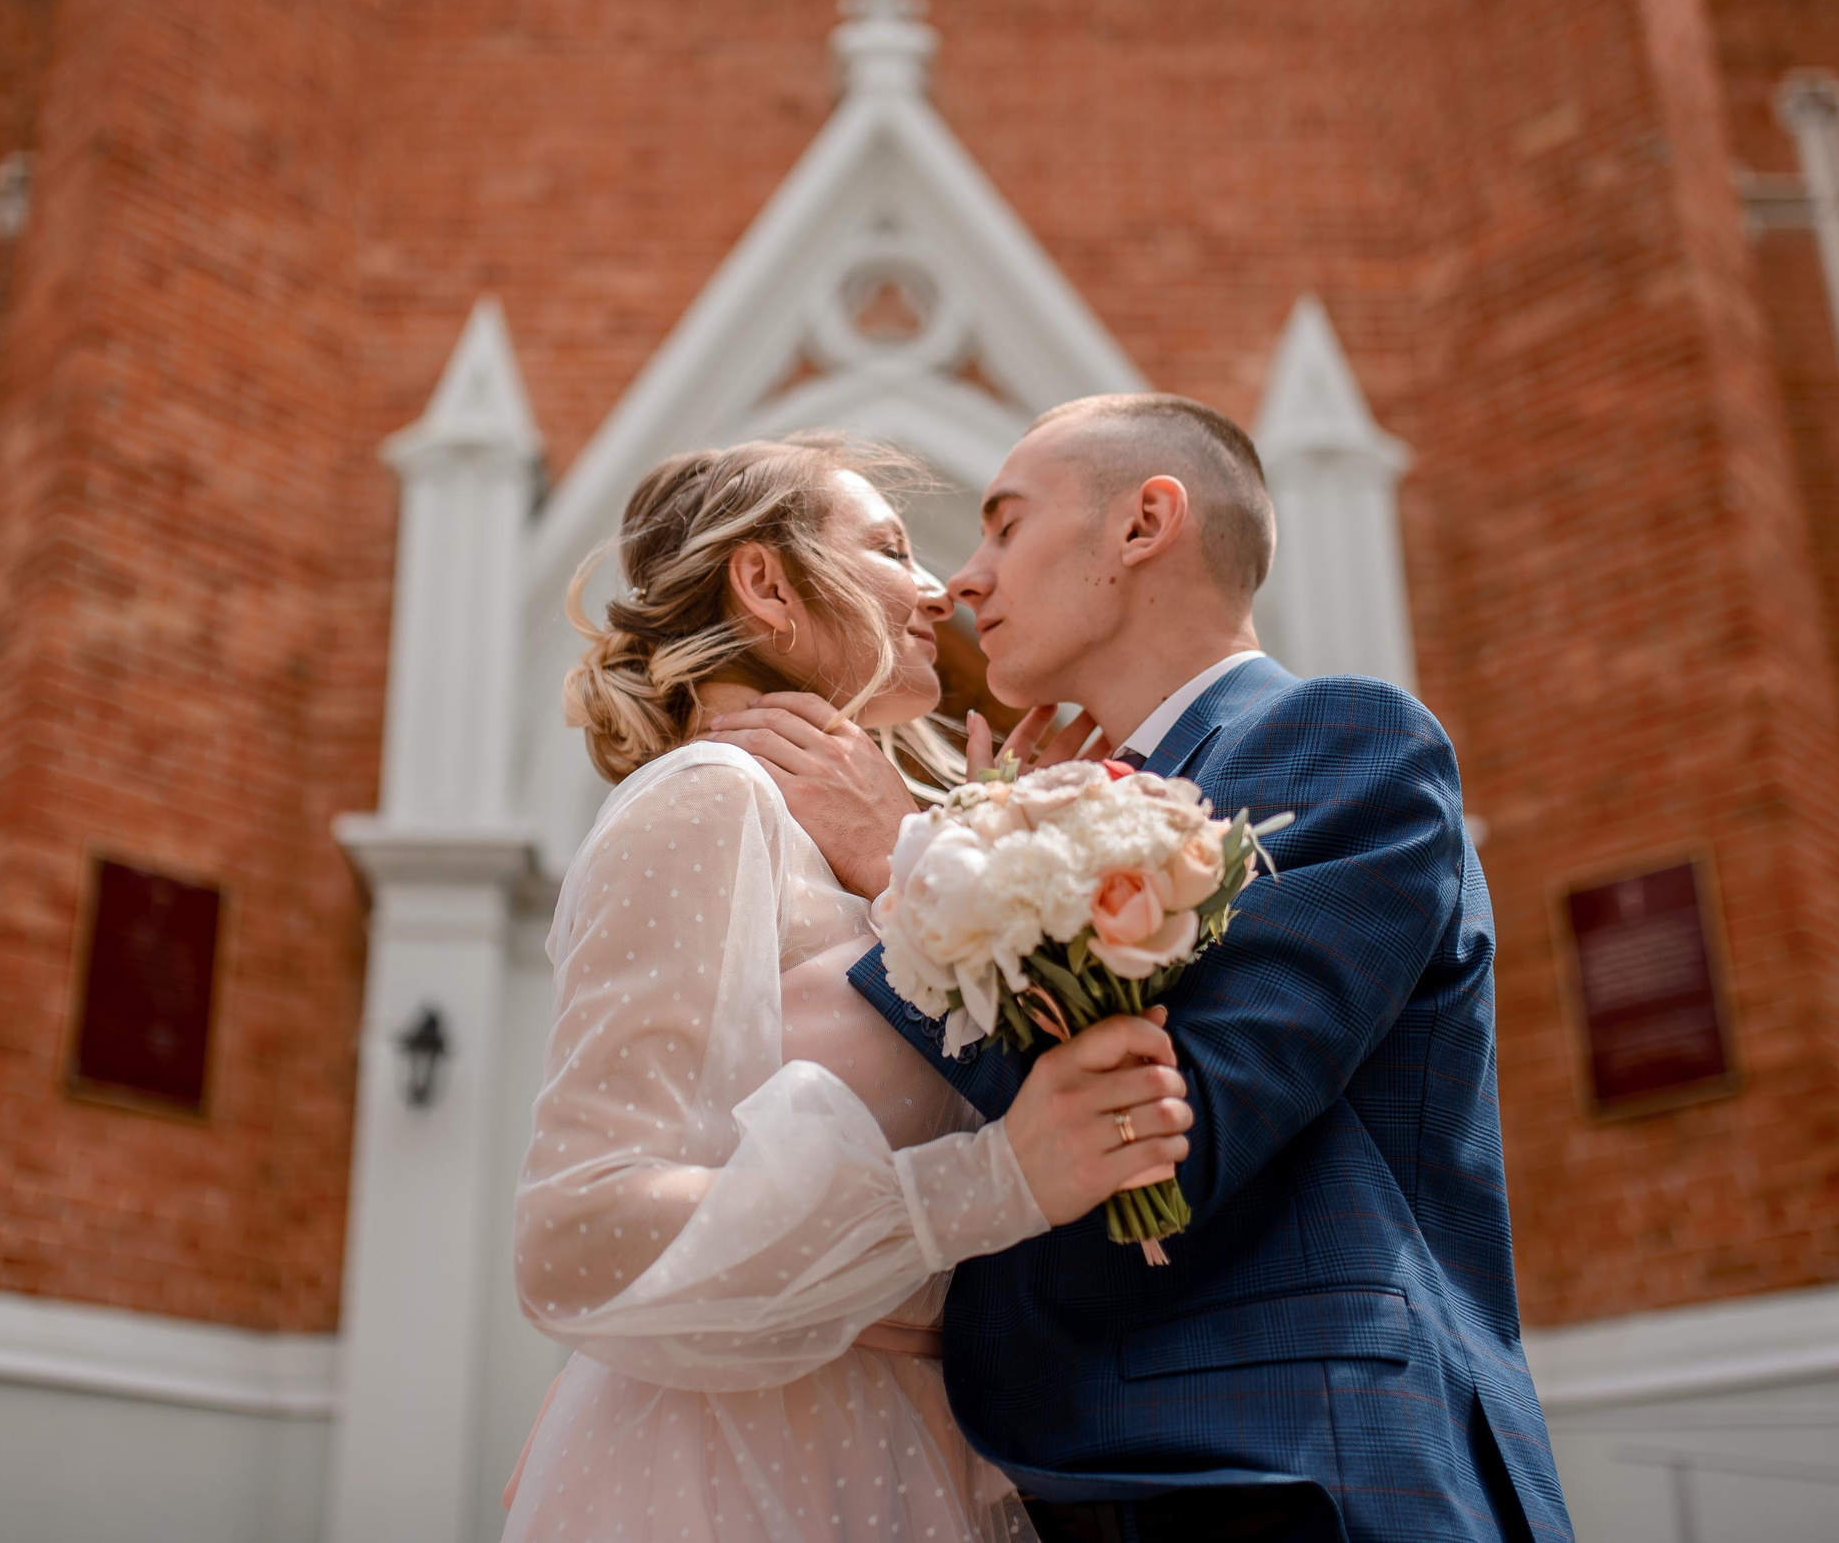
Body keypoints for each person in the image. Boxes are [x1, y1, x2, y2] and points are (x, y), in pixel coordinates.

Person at [708, 396, 1575, 1543]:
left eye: (1005, 527)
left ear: (1142, 525)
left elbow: (1176, 1122)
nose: (963, 581)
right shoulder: (1063, 802)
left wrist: (904, 863)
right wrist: (983, 847)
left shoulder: (1342, 741)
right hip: (1056, 1475)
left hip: (1289, 1468)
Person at [504, 433, 1192, 1543]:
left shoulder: (837, 832)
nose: (935, 590)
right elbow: (579, 1233)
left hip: (892, 1441)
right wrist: (993, 1180)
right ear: (766, 581)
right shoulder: (709, 797)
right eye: (888, 547)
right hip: (735, 1460)